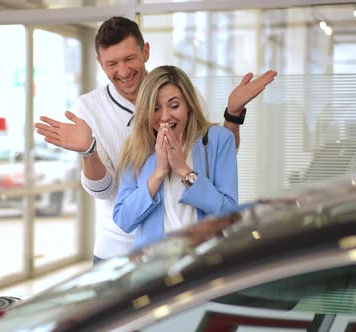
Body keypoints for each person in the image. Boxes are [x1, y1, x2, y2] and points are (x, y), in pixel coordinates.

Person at [34, 16, 276, 262]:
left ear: (145, 51)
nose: (124, 71)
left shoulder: (186, 100)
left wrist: (231, 117)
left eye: (129, 58)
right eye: (112, 63)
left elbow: (219, 156)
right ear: (100, 63)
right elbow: (104, 191)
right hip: (123, 251)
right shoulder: (119, 132)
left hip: (199, 260)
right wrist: (89, 150)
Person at [113, 65, 238, 249]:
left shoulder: (217, 140)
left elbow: (230, 214)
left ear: (188, 104)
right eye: (155, 108)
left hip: (204, 261)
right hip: (153, 265)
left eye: (174, 105)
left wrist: (183, 170)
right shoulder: (136, 148)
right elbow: (123, 219)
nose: (164, 116)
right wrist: (159, 172)